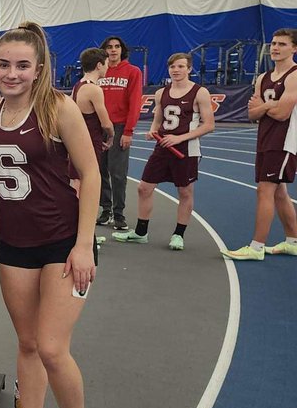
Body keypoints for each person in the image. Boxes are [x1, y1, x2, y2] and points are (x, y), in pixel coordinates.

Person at [0, 26, 97, 408]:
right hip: (13, 243)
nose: (12, 73)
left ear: (39, 69)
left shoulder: (58, 107)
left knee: (51, 347)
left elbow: (89, 174)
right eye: (4, 64)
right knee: (27, 345)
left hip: (62, 242)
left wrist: (84, 244)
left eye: (22, 65)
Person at [114, 53, 215, 250]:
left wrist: (180, 138)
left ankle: (178, 234)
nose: (176, 70)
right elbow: (158, 120)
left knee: (185, 191)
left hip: (186, 149)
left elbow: (209, 125)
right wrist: (153, 131)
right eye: (172, 67)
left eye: (180, 66)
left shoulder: (199, 92)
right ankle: (141, 232)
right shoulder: (162, 93)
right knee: (144, 187)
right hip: (162, 148)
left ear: (189, 69)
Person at [222, 29, 297, 260]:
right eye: (273, 43)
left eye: (282, 44)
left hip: (285, 140)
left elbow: (283, 113)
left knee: (265, 189)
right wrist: (265, 107)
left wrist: (263, 106)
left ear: (294, 48)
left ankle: (256, 247)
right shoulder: (263, 78)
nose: (275, 48)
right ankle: (293, 240)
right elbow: (251, 114)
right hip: (265, 138)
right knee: (279, 193)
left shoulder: (294, 75)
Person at [96, 36, 143, 230]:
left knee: (117, 173)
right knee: (99, 172)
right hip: (98, 127)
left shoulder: (132, 72)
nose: (113, 50)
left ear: (122, 50)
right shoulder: (99, 72)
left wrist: (128, 131)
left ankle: (119, 213)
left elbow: (135, 103)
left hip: (119, 127)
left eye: (117, 47)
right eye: (109, 47)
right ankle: (105, 210)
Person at [69, 48, 115, 190]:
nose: (108, 67)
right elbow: (106, 123)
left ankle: (74, 211)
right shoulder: (94, 90)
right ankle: (81, 212)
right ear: (99, 65)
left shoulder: (77, 86)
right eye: (106, 63)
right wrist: (111, 136)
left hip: (76, 139)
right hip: (89, 141)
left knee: (76, 180)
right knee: (87, 181)